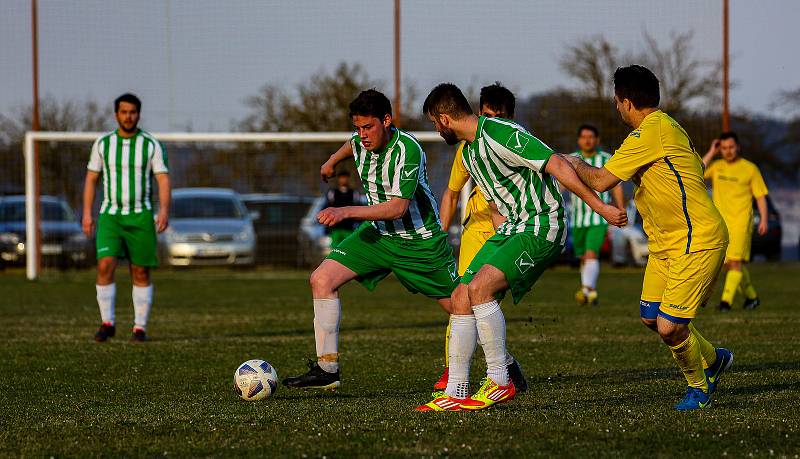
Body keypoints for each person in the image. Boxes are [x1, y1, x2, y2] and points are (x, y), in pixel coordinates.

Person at [418, 83, 626, 411]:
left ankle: (501, 380)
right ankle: (456, 392)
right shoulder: (469, 152)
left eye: (434, 122)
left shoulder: (502, 132)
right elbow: (503, 194)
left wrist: (601, 208)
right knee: (461, 296)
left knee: (481, 290)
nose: (435, 128)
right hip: (514, 228)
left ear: (444, 119)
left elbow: (557, 165)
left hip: (543, 225)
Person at [560, 65, 734, 410]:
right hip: (666, 243)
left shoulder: (649, 133)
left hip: (697, 238)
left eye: (616, 100)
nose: (615, 105)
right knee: (650, 317)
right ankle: (713, 359)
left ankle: (700, 388)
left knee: (670, 327)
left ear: (625, 101)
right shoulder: (668, 127)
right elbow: (694, 169)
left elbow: (599, 180)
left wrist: (571, 161)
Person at [282, 89, 459, 390]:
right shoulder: (359, 141)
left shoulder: (408, 150)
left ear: (387, 121)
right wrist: (331, 162)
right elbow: (350, 146)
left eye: (368, 127)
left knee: (461, 306)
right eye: (358, 128)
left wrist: (346, 211)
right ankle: (327, 369)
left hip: (418, 241)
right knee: (321, 279)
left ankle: (505, 364)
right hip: (378, 235)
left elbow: (398, 207)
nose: (362, 135)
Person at [435, 82, 527, 393]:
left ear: (512, 118)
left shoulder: (518, 143)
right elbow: (450, 193)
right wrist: (439, 236)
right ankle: (456, 375)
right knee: (463, 298)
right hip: (477, 229)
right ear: (479, 113)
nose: (495, 122)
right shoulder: (467, 148)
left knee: (481, 302)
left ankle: (501, 371)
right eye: (489, 115)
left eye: (501, 117)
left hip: (514, 230)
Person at [82, 93, 171, 343]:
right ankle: (107, 322)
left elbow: (163, 179)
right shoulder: (102, 144)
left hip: (141, 216)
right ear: (116, 114)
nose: (128, 116)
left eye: (132, 112)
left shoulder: (151, 144)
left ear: (138, 114)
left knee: (140, 271)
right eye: (123, 112)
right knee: (104, 264)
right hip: (110, 215)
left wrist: (163, 210)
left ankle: (139, 327)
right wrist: (87, 213)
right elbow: (91, 178)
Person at [702, 132, 769, 311]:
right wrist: (711, 152)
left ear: (737, 147)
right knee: (729, 264)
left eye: (731, 147)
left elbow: (760, 196)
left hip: (741, 221)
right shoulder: (717, 166)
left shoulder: (750, 169)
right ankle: (752, 298)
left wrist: (764, 219)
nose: (728, 151)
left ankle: (726, 302)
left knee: (735, 262)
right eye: (724, 148)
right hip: (721, 223)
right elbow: (697, 170)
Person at [567, 125, 624, 305]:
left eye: (591, 137)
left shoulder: (606, 159)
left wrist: (620, 207)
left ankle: (587, 291)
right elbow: (562, 182)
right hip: (577, 218)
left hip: (598, 217)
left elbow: (617, 185)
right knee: (584, 257)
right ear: (579, 140)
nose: (587, 140)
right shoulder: (571, 159)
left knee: (592, 253)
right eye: (583, 137)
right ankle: (588, 289)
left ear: (597, 140)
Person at [325, 170, 359, 248]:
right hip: (335, 227)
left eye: (345, 178)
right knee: (335, 250)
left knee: (348, 248)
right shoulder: (332, 192)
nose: (344, 180)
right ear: (338, 179)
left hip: (349, 227)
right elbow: (328, 207)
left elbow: (357, 208)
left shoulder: (354, 193)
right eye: (342, 178)